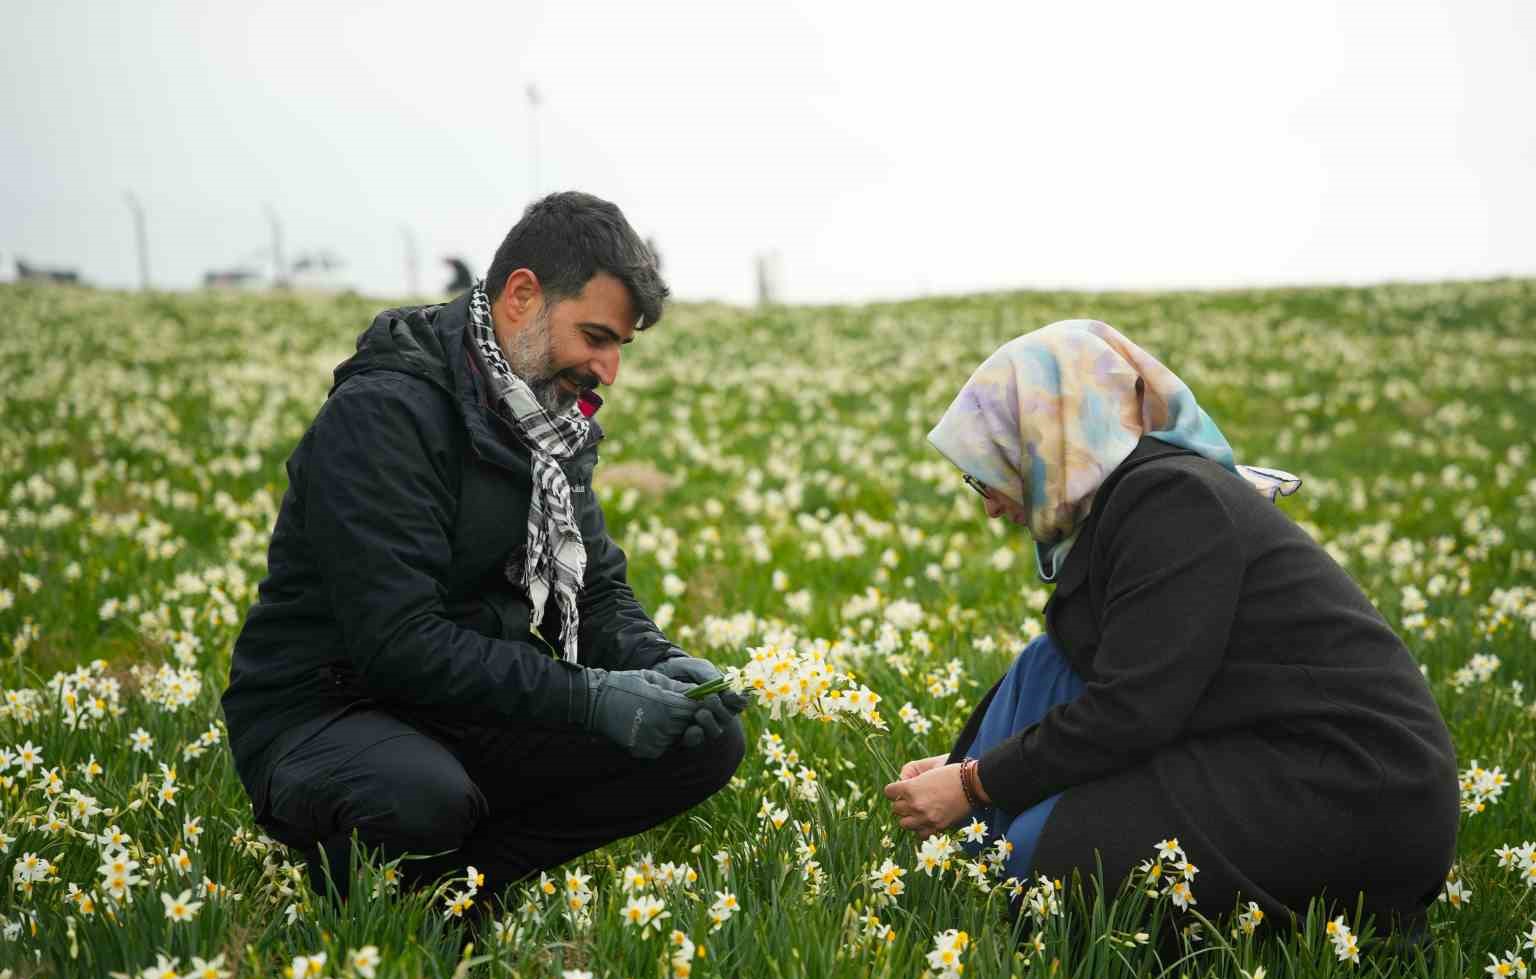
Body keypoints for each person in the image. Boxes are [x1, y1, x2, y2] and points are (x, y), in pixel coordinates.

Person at [222, 191, 746, 903]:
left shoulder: (548, 421)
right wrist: (591, 698)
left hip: (461, 701)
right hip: (325, 708)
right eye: (595, 336)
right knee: (420, 796)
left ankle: (462, 890)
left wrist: (660, 664)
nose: (608, 369)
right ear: (522, 296)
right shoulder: (386, 412)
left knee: (703, 743)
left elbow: (594, 594)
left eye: (618, 347)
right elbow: (399, 643)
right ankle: (360, 887)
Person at [884, 320, 1458, 936]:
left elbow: (1134, 709)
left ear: (1041, 439)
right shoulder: (1129, 499)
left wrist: (976, 781)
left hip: (1345, 786)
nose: (990, 504)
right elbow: (1107, 680)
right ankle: (983, 867)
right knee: (1046, 667)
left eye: (987, 472)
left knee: (1041, 863)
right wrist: (971, 764)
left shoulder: (1172, 502)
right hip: (1253, 743)